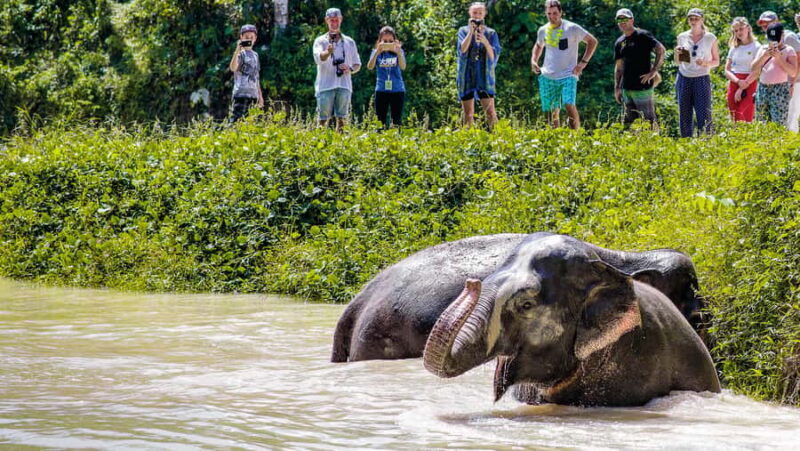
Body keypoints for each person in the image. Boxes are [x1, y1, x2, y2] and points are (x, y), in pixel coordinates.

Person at [531, 0, 598, 129]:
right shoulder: (543, 30)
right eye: (549, 13)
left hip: (569, 74)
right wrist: (534, 61)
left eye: (555, 13)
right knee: (550, 112)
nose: (552, 17)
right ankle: (556, 140)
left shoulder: (572, 28)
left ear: (561, 12)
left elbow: (592, 41)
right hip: (547, 74)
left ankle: (575, 139)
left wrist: (583, 63)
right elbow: (538, 45)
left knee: (569, 104)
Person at [612, 8, 665, 129]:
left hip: (642, 86)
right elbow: (619, 67)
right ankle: (635, 146)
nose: (622, 22)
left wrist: (653, 72)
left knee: (648, 121)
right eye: (619, 19)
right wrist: (617, 88)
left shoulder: (642, 35)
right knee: (630, 123)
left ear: (632, 20)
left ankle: (654, 145)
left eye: (625, 18)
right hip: (626, 88)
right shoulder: (619, 42)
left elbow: (661, 50)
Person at [312, 8, 361, 130]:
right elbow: (319, 58)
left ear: (341, 20)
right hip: (325, 85)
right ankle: (320, 145)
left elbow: (357, 64)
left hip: (344, 85)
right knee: (322, 120)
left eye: (336, 20)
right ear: (326, 21)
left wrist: (349, 69)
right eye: (331, 20)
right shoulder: (320, 41)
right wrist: (328, 52)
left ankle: (341, 146)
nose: (334, 23)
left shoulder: (349, 41)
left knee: (342, 119)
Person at [674, 8, 719, 138]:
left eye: (696, 18)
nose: (693, 21)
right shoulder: (682, 37)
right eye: (691, 19)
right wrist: (677, 54)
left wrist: (705, 63)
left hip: (701, 78)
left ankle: (706, 144)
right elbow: (678, 62)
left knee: (704, 114)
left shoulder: (710, 38)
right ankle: (686, 143)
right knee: (684, 114)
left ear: (702, 20)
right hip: (684, 77)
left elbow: (717, 61)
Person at [456, 2, 501, 129]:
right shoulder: (463, 31)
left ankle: (498, 139)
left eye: (480, 13)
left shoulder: (491, 33)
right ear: (470, 14)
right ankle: (469, 142)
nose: (477, 15)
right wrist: (471, 33)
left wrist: (485, 41)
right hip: (467, 75)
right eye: (475, 13)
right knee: (468, 114)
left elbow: (493, 55)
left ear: (484, 14)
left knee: (491, 112)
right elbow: (462, 50)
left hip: (485, 76)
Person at [758, 11, 800, 130]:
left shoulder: (789, 37)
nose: (764, 26)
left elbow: (799, 61)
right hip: (775, 84)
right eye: (762, 23)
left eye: (767, 22)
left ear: (776, 21)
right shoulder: (769, 39)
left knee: (790, 119)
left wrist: (791, 83)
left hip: (794, 82)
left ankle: (790, 146)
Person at [367, 26, 407, 128]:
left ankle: (395, 142)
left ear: (395, 41)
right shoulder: (376, 52)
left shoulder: (399, 51)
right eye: (385, 41)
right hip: (381, 89)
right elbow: (370, 67)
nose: (387, 43)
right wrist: (377, 51)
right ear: (379, 41)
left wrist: (398, 52)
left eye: (390, 41)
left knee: (396, 121)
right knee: (380, 121)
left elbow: (403, 67)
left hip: (397, 89)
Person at [723, 17, 760, 122]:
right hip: (734, 81)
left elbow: (757, 71)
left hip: (750, 82)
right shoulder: (734, 47)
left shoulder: (757, 46)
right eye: (736, 30)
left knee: (742, 115)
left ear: (748, 28)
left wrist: (743, 86)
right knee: (734, 116)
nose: (739, 32)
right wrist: (738, 82)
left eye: (741, 29)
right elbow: (727, 70)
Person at [228, 24, 264, 123]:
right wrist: (237, 50)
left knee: (251, 123)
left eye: (251, 37)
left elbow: (257, 77)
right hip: (240, 93)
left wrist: (260, 96)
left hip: (253, 95)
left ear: (255, 38)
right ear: (241, 37)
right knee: (236, 122)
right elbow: (233, 68)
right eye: (246, 37)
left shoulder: (256, 55)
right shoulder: (240, 53)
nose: (249, 39)